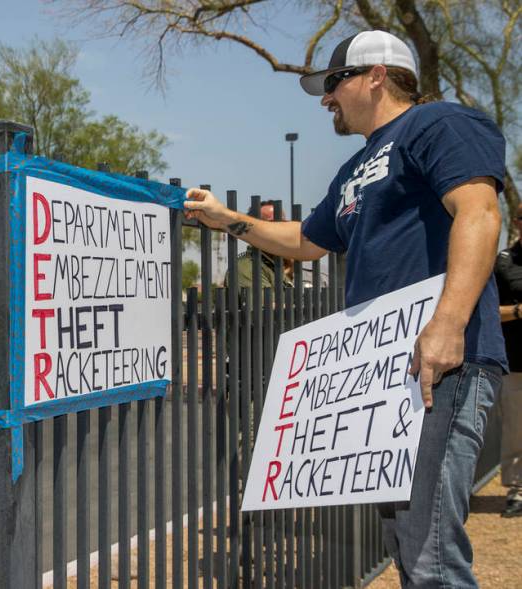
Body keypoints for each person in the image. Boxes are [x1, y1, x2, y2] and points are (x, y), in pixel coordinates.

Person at [184, 30, 506, 588]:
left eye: (335, 82)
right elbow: (307, 240)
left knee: (431, 552)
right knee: (408, 548)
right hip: (387, 375)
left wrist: (448, 325)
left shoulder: (438, 124)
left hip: (442, 364)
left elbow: (478, 213)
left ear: (377, 75)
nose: (325, 98)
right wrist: (227, 219)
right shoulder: (356, 167)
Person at [493, 204, 522, 517]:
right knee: (517, 429)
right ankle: (517, 489)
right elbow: (487, 311)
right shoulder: (504, 263)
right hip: (517, 361)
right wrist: (517, 312)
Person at [225, 200, 293, 290]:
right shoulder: (247, 268)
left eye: (283, 224)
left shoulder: (289, 265)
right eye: (271, 224)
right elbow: (266, 303)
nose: (279, 230)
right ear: (254, 231)